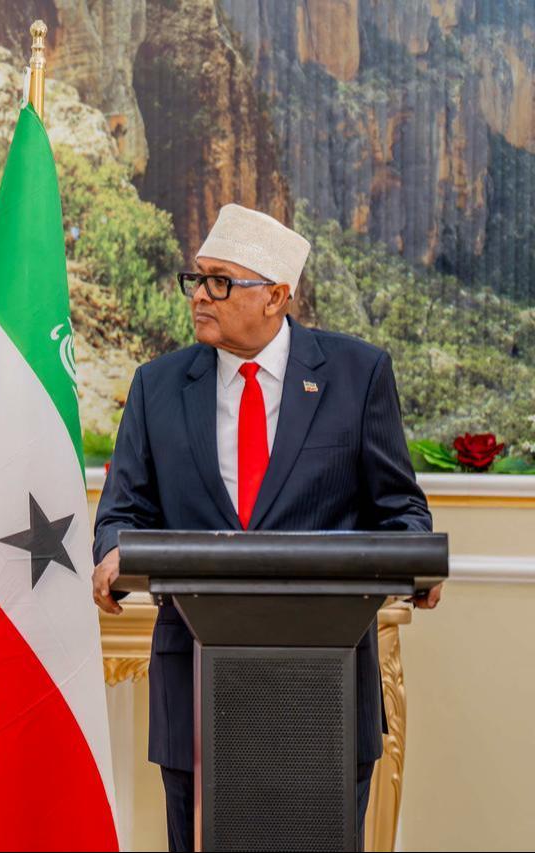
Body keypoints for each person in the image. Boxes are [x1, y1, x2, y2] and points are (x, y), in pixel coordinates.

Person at [91, 203, 442, 852]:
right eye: (195, 278)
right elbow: (120, 513)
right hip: (197, 685)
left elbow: (401, 510)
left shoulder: (357, 376)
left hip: (323, 692)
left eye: (221, 281)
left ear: (277, 295)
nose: (200, 295)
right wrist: (113, 550)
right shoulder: (157, 386)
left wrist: (416, 560)